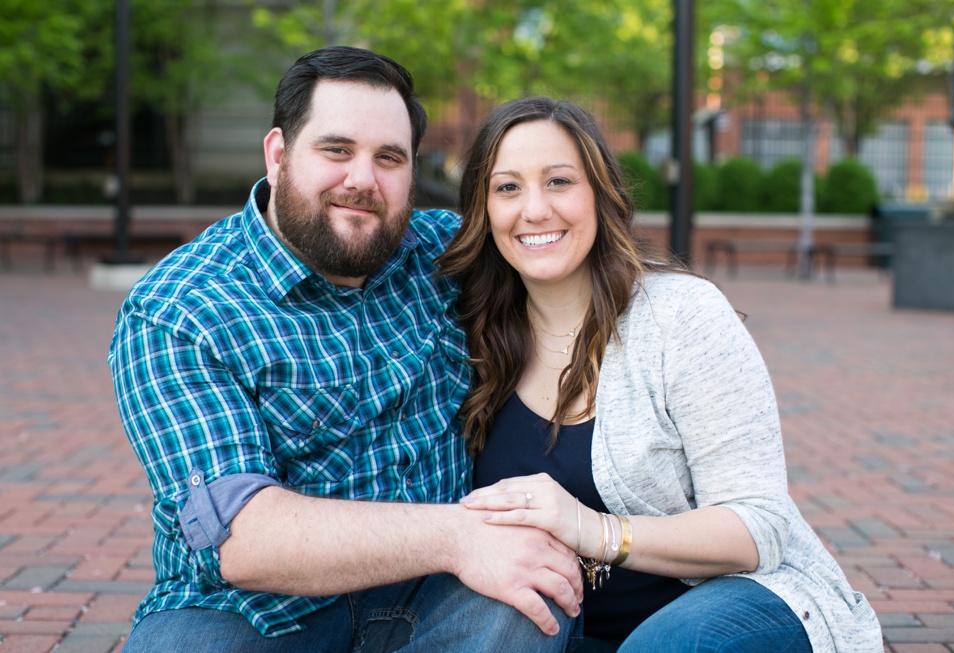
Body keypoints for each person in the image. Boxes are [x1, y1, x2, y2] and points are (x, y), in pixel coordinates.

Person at [108, 48, 582, 652]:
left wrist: (676, 301)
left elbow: (563, 244)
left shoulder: (443, 256)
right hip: (248, 612)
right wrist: (461, 536)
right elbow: (246, 539)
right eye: (337, 150)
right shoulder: (182, 309)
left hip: (437, 593)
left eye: (389, 158)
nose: (362, 179)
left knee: (531, 602)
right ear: (279, 156)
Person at [437, 96, 883, 652]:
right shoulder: (468, 335)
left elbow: (758, 527)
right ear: (482, 210)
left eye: (558, 181)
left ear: (600, 195)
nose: (534, 209)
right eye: (508, 188)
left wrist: (592, 529)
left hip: (729, 606)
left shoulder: (681, 316)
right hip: (563, 629)